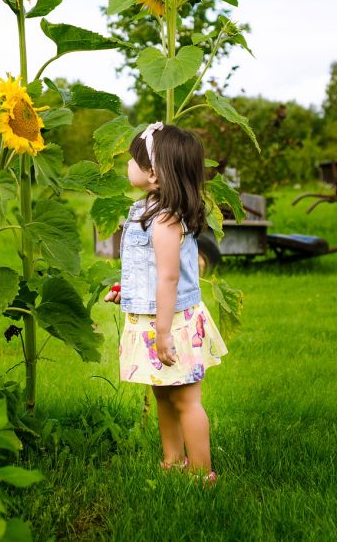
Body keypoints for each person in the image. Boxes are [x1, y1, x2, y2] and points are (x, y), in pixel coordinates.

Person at [104, 122, 228, 483]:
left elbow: (169, 278)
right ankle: (173, 461)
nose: (127, 164)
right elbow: (148, 272)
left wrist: (162, 331)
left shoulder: (164, 221)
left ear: (154, 174)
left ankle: (202, 472)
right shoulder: (149, 210)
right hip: (156, 320)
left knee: (186, 400)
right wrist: (126, 293)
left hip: (171, 324)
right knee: (163, 396)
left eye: (133, 159)